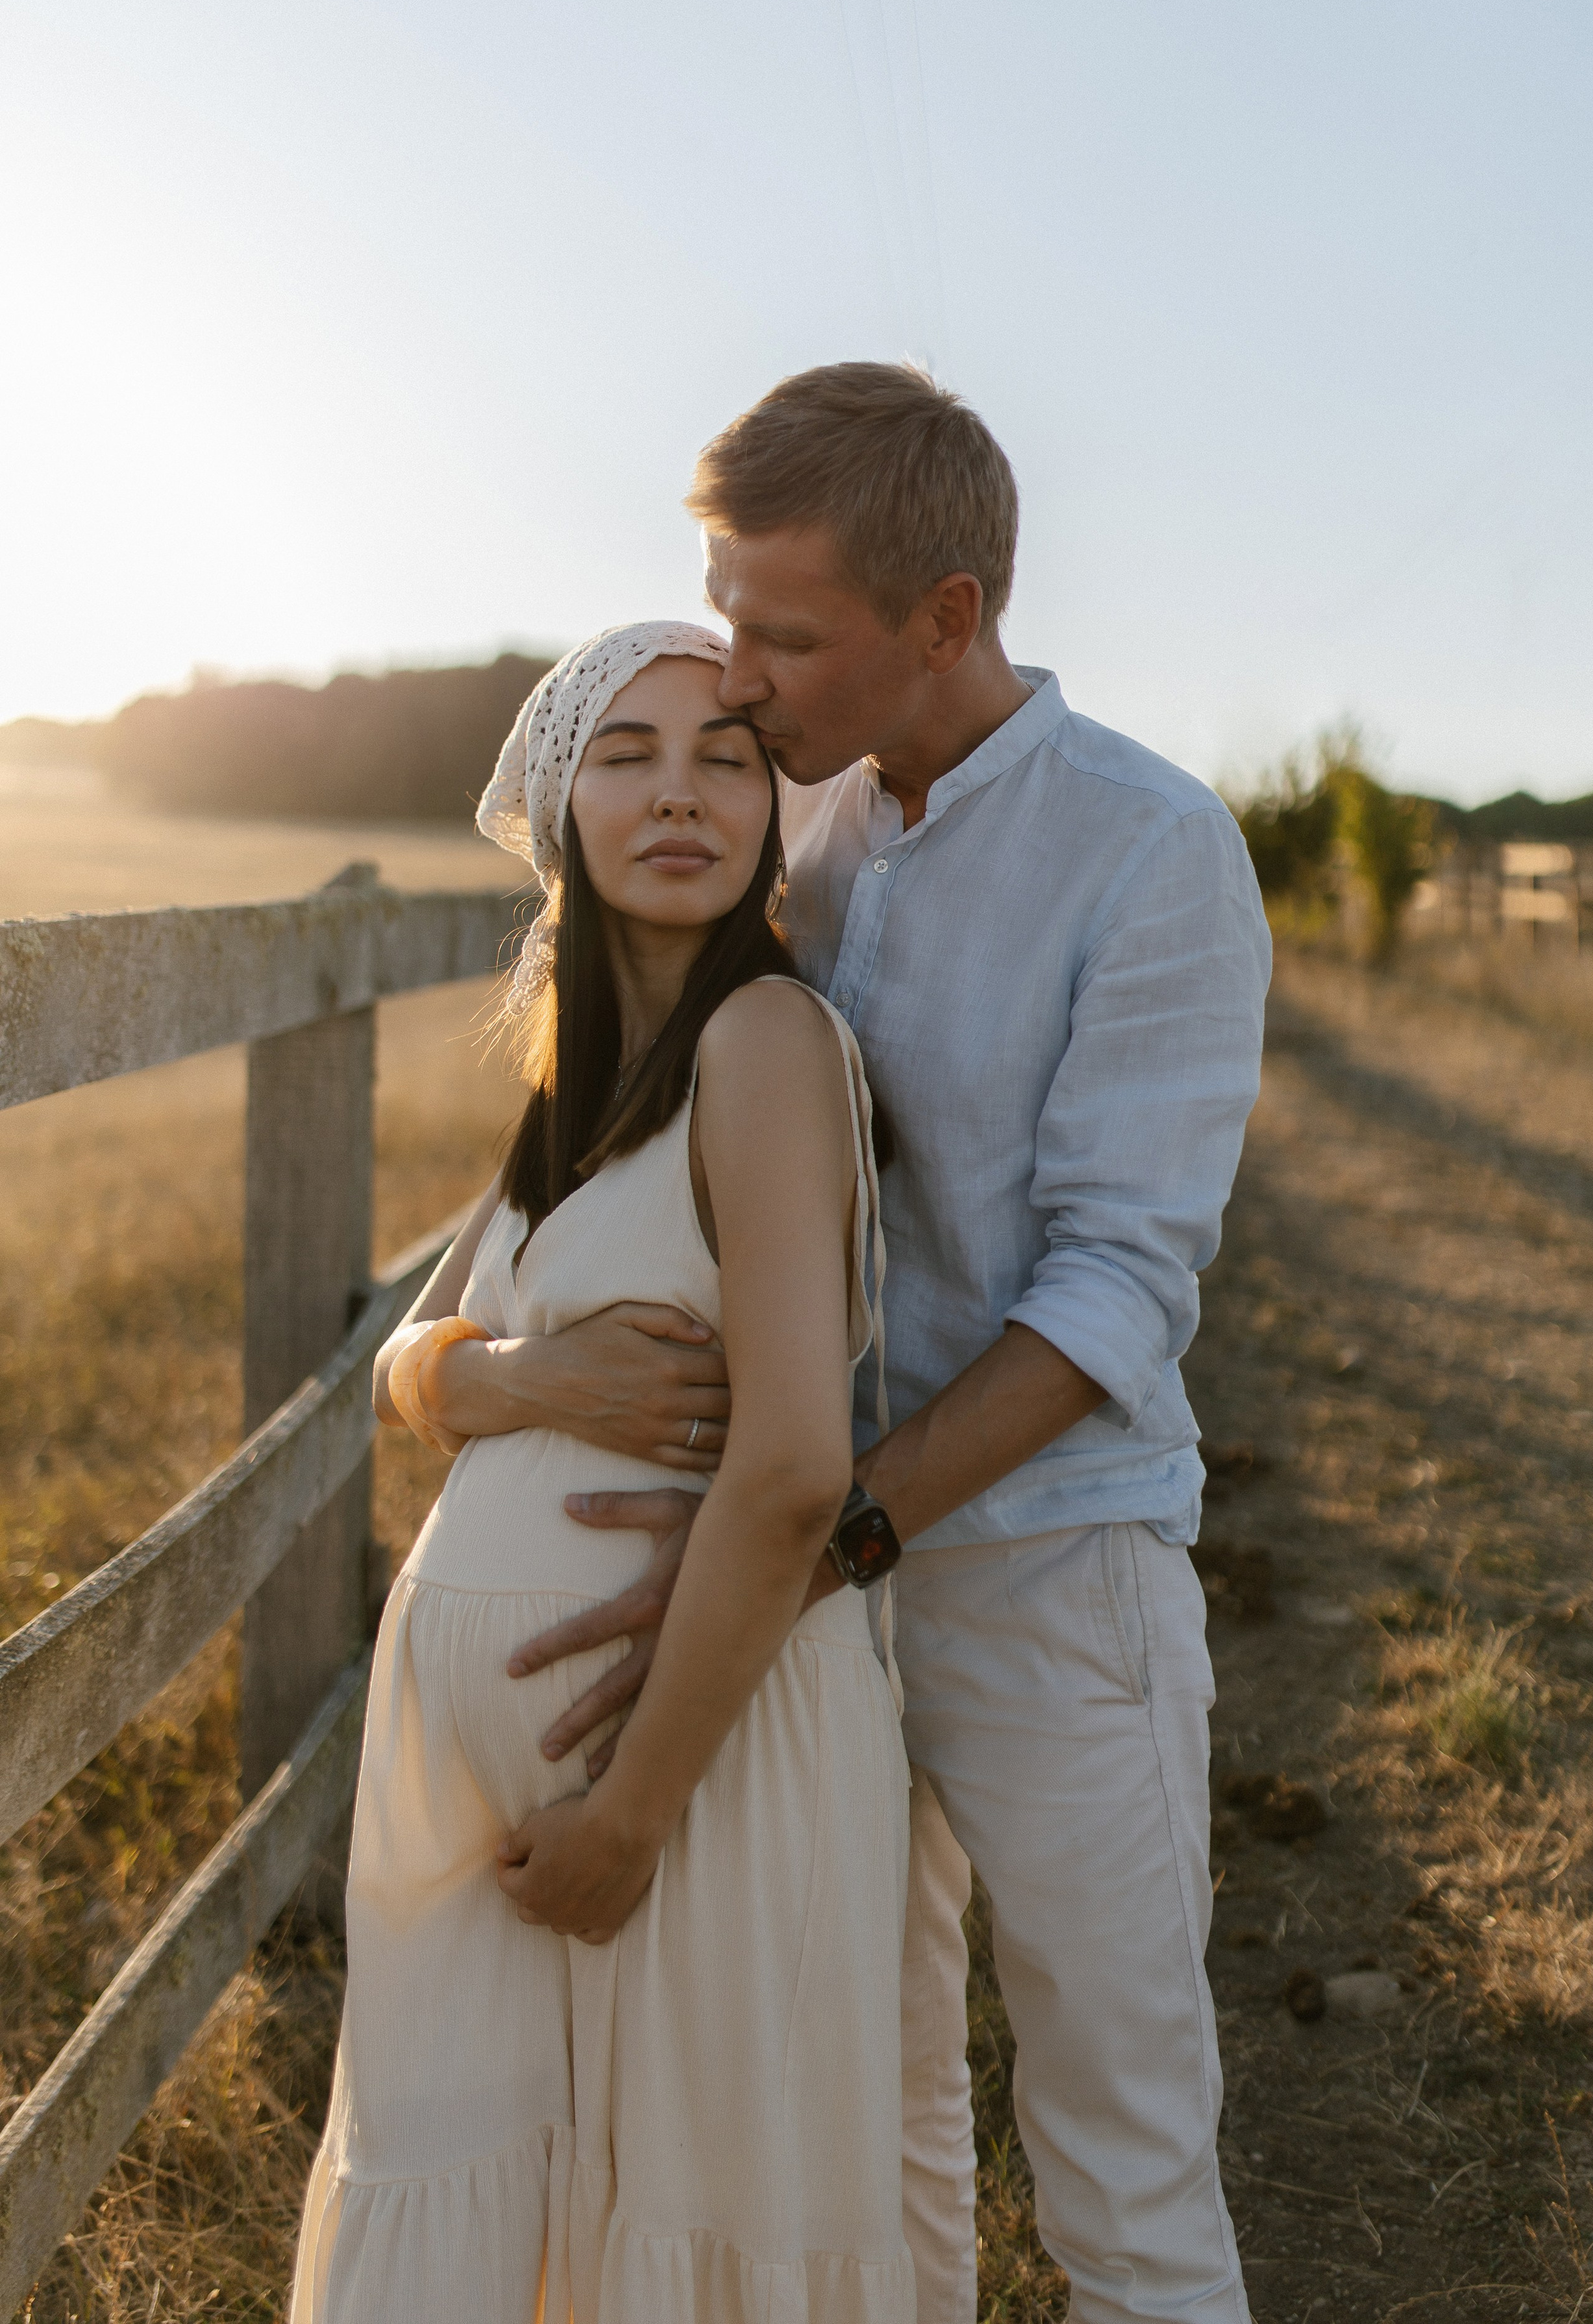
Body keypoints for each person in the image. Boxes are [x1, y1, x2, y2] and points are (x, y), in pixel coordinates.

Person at [482, 367, 1276, 2324]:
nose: (734, 680)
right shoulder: (784, 814)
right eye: (726, 612)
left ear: (948, 619)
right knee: (875, 2103)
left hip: (1037, 1568)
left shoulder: (1152, 852)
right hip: (802, 1593)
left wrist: (823, 1532)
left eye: (782, 634)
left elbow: (1111, 1292)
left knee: (1122, 2150)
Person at [290, 622, 915, 2324]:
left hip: (695, 1770)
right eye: (627, 756)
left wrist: (630, 1815)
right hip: (493, 1818)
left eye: (727, 756)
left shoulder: (765, 1044)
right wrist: (527, 1374)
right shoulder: (580, 1089)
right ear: (562, 807)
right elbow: (408, 1371)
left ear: (778, 809)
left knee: (688, 2235)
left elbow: (792, 1469)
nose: (681, 794)